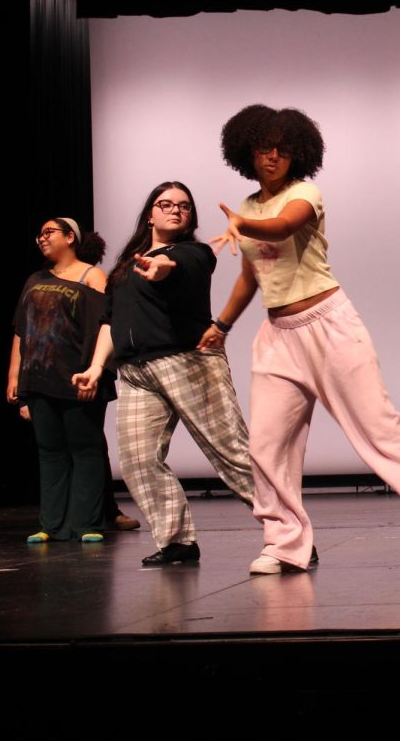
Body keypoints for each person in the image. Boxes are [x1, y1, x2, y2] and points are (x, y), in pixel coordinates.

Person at [207, 105, 400, 575]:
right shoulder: (245, 208)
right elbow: (251, 273)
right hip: (277, 335)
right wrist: (221, 324)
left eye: (283, 151)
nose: (272, 157)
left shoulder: (305, 192)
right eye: (264, 148)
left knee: (380, 433)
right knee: (267, 446)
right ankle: (286, 544)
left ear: (297, 155)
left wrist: (243, 226)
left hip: (328, 325)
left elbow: (284, 226)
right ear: (247, 150)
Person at [73, 181, 256, 565]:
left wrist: (162, 267)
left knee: (232, 454)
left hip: (186, 361)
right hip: (135, 371)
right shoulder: (126, 265)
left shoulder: (194, 253)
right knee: (139, 459)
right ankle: (177, 542)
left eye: (184, 206)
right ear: (150, 213)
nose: (175, 210)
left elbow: (177, 268)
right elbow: (110, 320)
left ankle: (290, 532)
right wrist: (94, 367)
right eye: (166, 204)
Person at [8, 217, 112, 543]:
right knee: (49, 450)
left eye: (48, 232)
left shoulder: (91, 274)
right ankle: (51, 525)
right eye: (38, 234)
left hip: (76, 375)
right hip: (38, 377)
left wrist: (95, 369)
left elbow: (104, 324)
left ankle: (87, 524)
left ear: (70, 237)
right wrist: (14, 375)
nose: (41, 238)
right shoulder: (34, 279)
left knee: (85, 448)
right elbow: (20, 331)